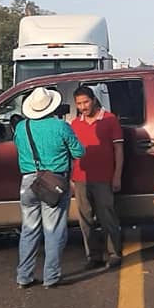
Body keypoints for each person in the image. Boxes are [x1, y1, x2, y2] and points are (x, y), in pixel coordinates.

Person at [14, 87, 85, 289]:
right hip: (54, 183)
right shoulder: (60, 126)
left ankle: (24, 276)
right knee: (53, 231)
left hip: (28, 182)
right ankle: (51, 276)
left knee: (29, 230)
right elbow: (79, 152)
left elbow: (18, 147)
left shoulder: (22, 127)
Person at [70, 86, 125, 270]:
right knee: (85, 219)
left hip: (104, 177)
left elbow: (119, 150)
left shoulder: (109, 120)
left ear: (93, 100)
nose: (83, 107)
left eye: (85, 102)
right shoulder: (75, 124)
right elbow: (71, 153)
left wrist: (117, 176)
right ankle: (93, 256)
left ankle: (114, 253)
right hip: (80, 178)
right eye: (79, 104)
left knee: (107, 216)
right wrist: (71, 177)